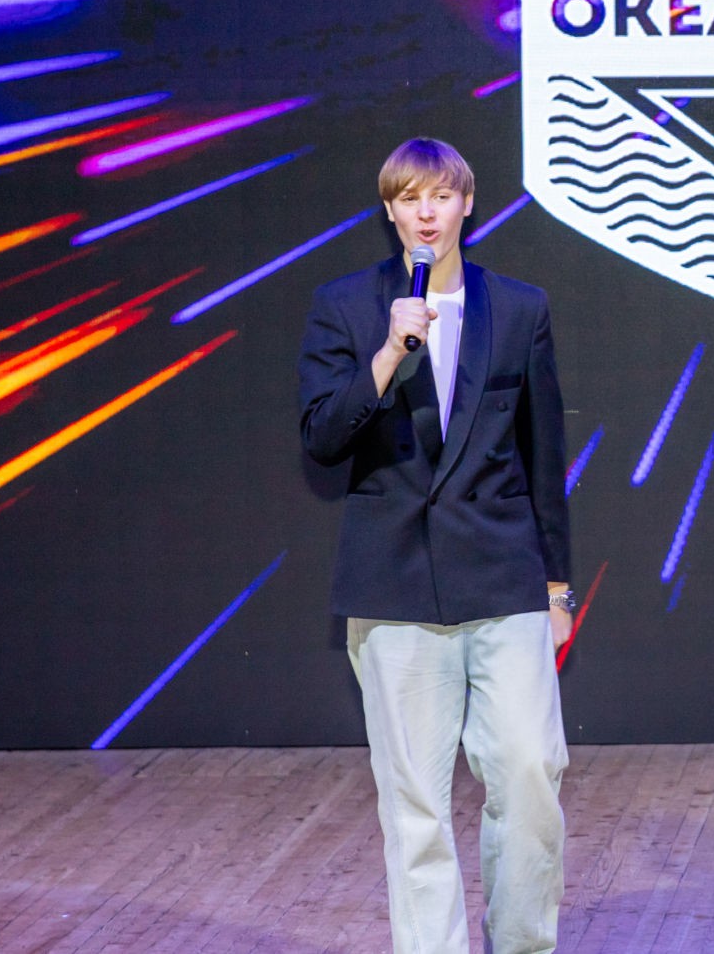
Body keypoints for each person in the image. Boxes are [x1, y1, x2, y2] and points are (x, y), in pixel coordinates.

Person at [298, 138, 573, 954]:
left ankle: (522, 943)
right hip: (394, 586)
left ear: (467, 204)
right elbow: (321, 439)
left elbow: (544, 453)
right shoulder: (345, 305)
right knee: (415, 801)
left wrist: (557, 585)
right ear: (389, 210)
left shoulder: (518, 307)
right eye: (410, 197)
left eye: (442, 195)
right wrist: (388, 354)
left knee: (531, 771)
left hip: (503, 576)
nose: (427, 212)